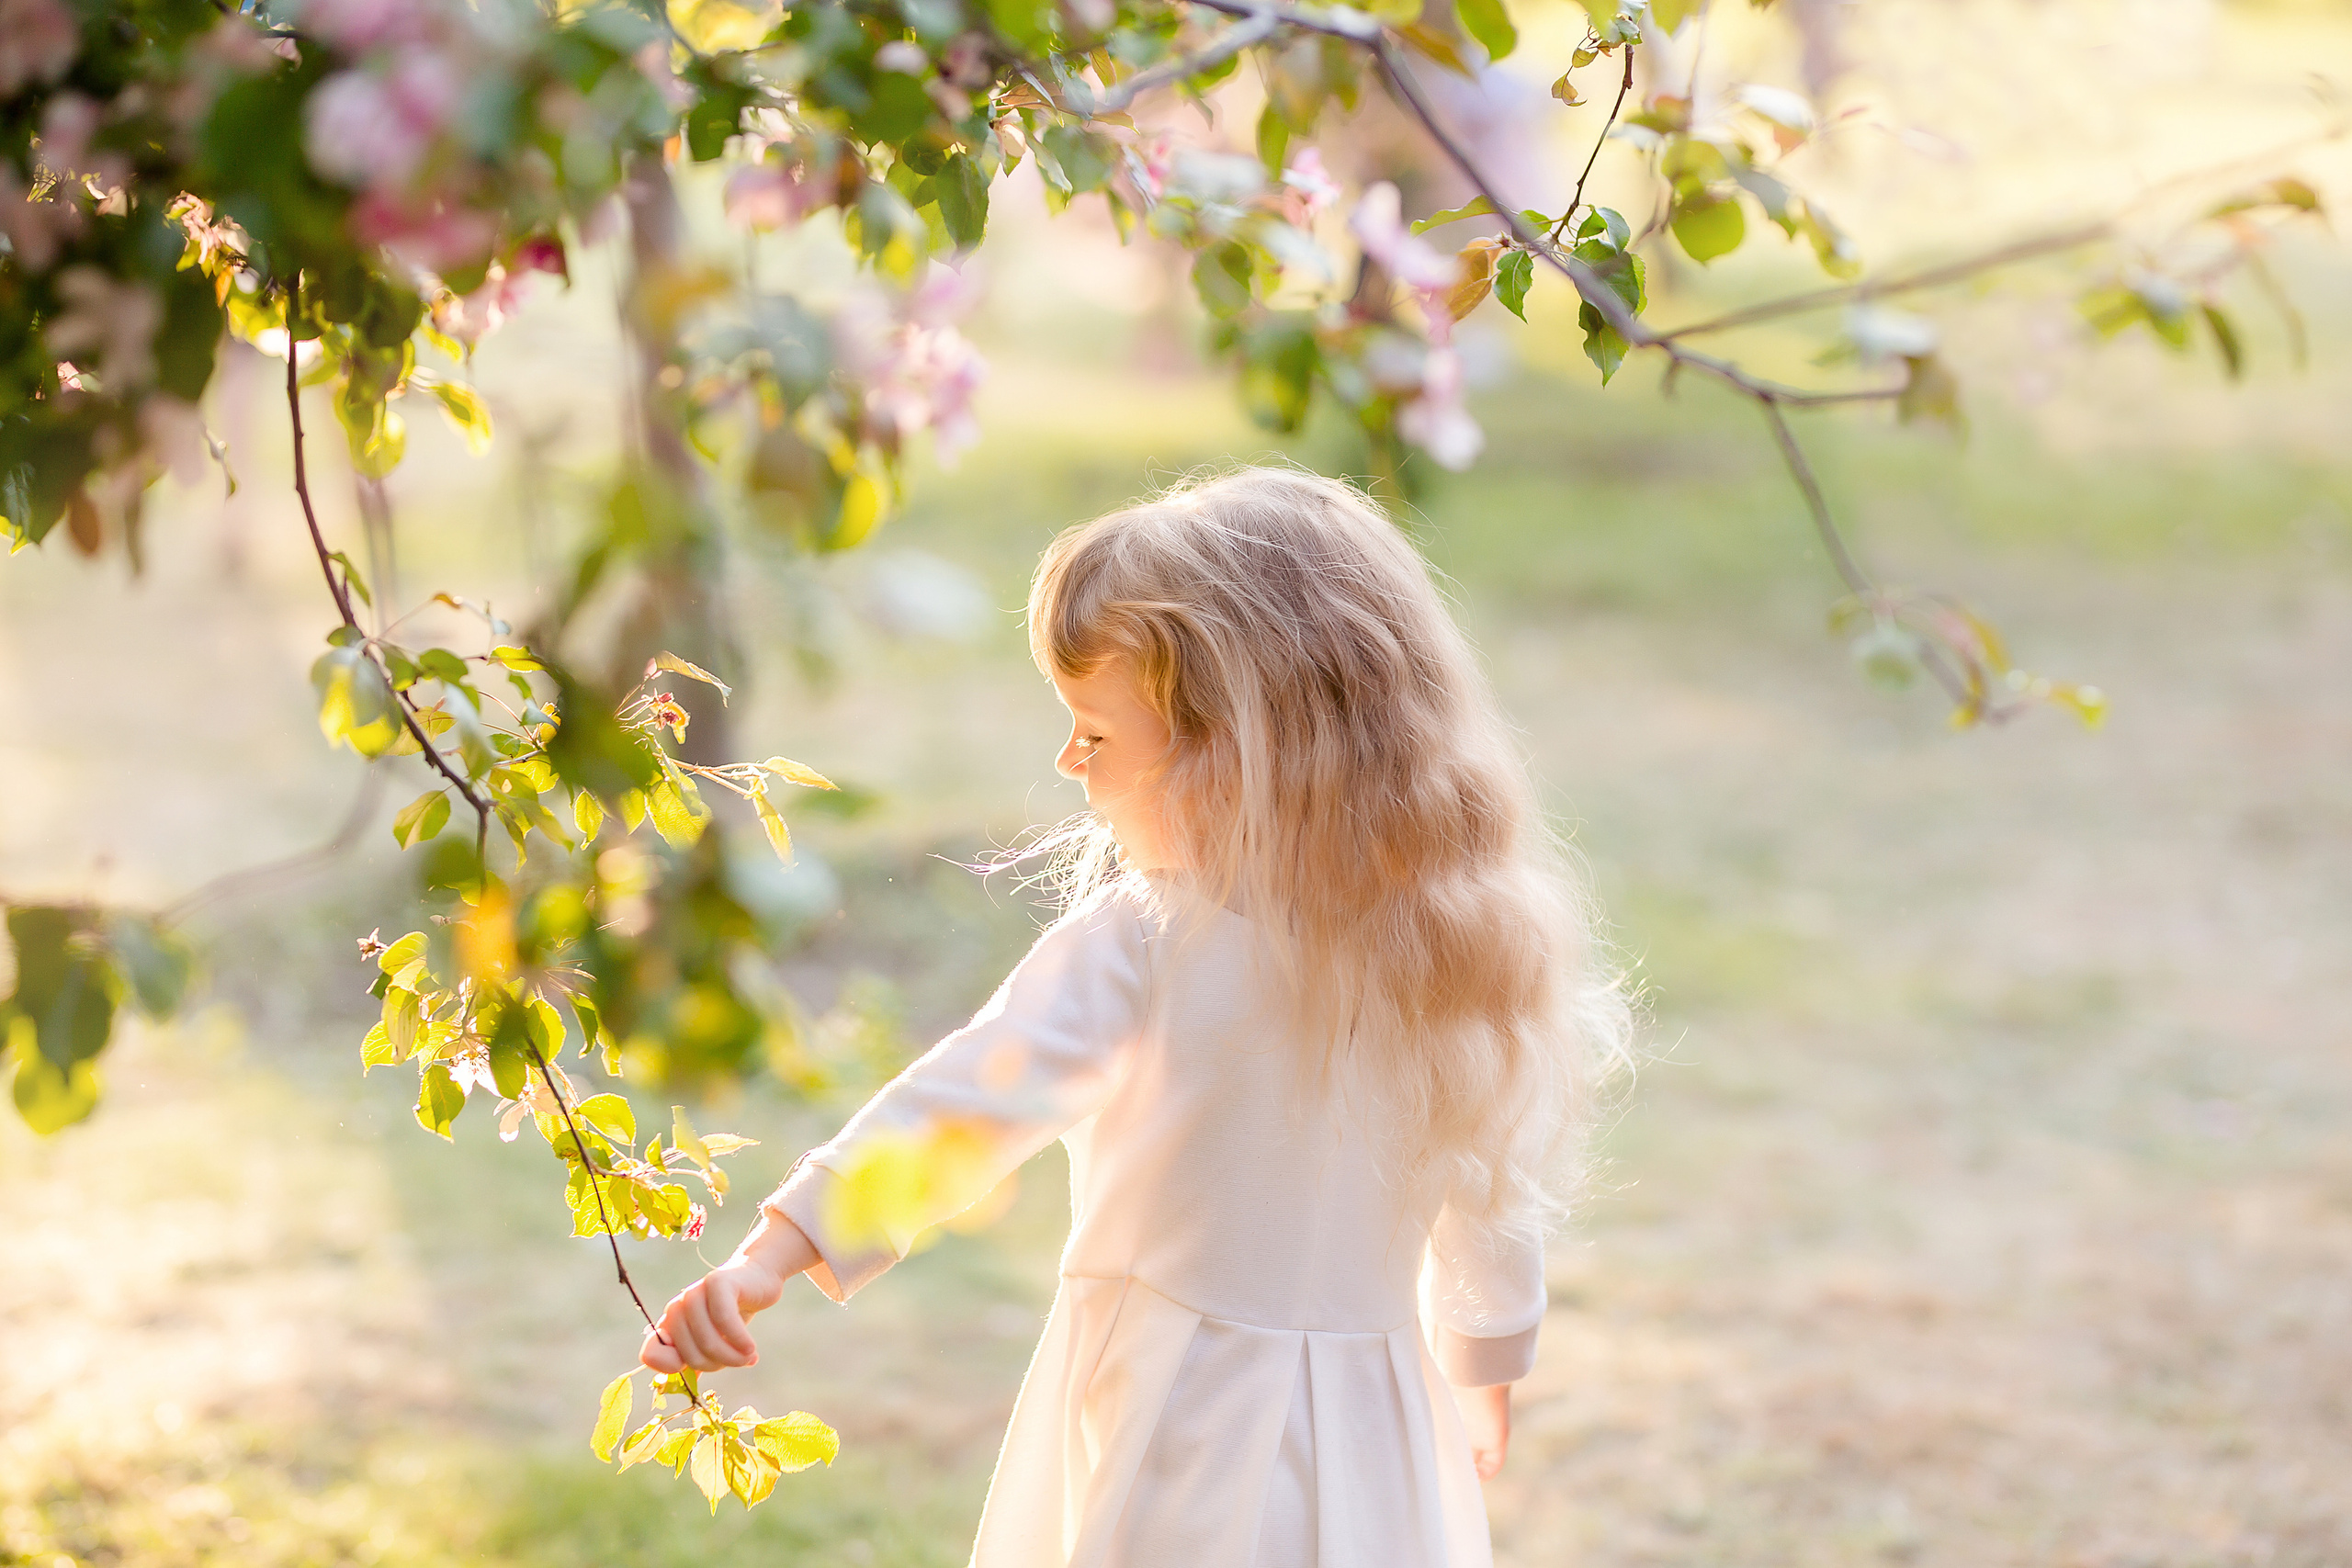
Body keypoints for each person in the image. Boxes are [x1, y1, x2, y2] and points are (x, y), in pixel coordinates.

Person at [641, 465, 1626, 1567]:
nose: (1067, 762)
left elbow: (964, 1109)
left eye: (1097, 736)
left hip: (1185, 1420)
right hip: (1377, 1426)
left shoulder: (1150, 946)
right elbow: (1492, 1183)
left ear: (1236, 753)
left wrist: (773, 1254)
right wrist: (1484, 1364)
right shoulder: (1452, 946)